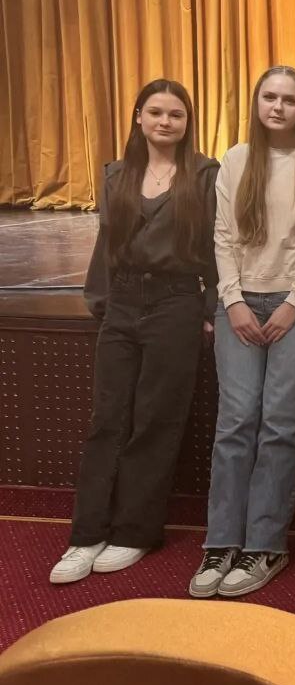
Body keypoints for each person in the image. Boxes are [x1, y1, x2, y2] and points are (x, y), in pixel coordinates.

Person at [50, 80, 219, 584]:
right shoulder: (117, 175)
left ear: (187, 122)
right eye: (156, 112)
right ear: (139, 116)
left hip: (176, 304)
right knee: (107, 420)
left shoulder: (205, 175)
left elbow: (217, 246)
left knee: (155, 420)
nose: (166, 122)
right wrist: (102, 303)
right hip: (122, 303)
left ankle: (134, 531)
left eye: (176, 114)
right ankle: (86, 534)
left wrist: (209, 308)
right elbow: (107, 241)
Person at [188, 66, 295, 598]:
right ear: (257, 104)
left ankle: (265, 544)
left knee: (280, 421)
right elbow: (223, 236)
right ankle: (221, 542)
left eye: (289, 100)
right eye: (269, 97)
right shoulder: (235, 159)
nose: (278, 107)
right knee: (236, 420)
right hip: (239, 304)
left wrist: (294, 303)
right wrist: (232, 301)